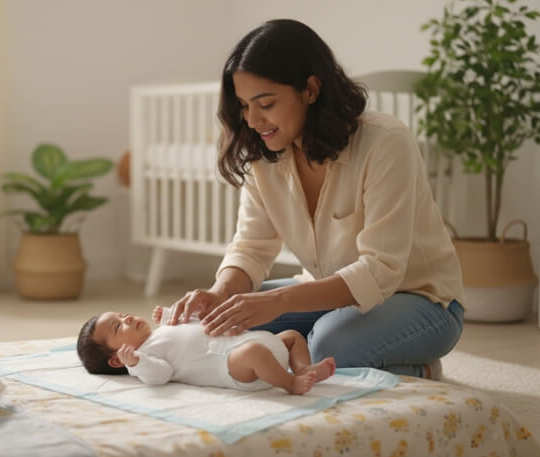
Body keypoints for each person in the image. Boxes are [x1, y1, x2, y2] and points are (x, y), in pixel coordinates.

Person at [166, 19, 465, 381]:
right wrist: (218, 294)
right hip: (332, 298)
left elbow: (381, 270)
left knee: (329, 346)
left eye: (266, 103)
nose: (253, 120)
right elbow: (251, 247)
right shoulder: (265, 156)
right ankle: (321, 350)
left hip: (421, 302)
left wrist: (279, 301)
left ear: (310, 89)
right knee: (221, 324)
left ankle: (420, 370)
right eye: (244, 106)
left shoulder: (385, 142)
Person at [76, 306, 336, 395]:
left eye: (123, 315)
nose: (129, 319)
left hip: (255, 342)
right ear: (116, 360)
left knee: (290, 337)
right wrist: (135, 363)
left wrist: (170, 314)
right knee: (254, 352)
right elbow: (160, 375)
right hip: (233, 366)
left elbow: (197, 322)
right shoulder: (143, 361)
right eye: (118, 326)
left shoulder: (161, 331)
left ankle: (303, 368)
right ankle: (290, 383)